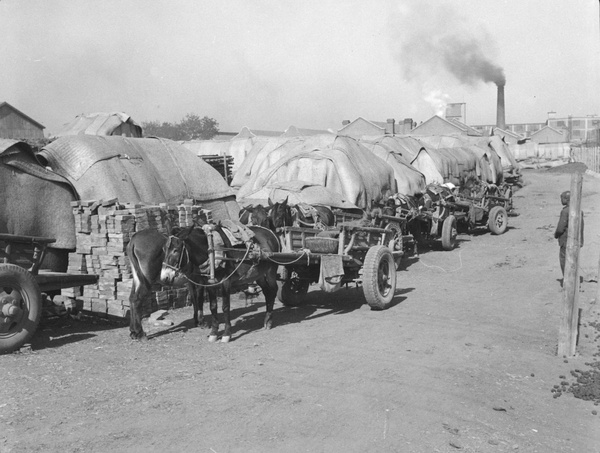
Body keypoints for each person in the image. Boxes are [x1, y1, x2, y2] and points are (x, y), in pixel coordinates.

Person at [554, 190, 584, 278]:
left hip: (565, 240)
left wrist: (556, 235)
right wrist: (581, 241)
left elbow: (560, 228)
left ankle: (566, 279)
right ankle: (573, 280)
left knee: (564, 260)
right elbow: (581, 227)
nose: (561, 201)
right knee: (574, 261)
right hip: (576, 240)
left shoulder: (565, 211)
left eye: (562, 198)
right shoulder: (579, 210)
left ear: (566, 199)